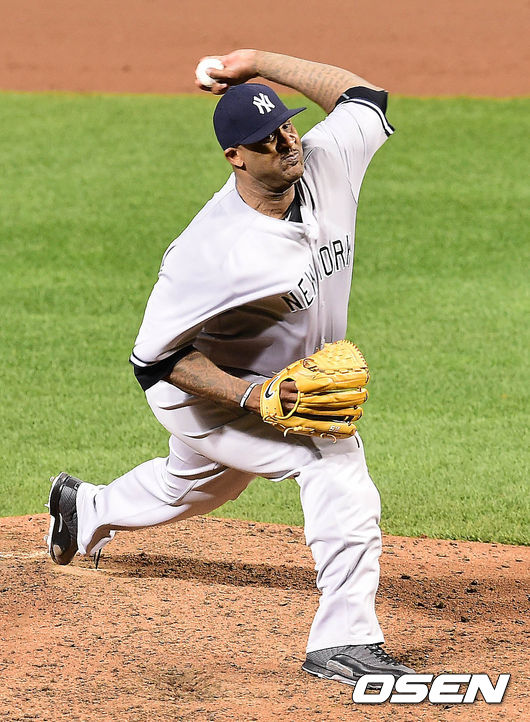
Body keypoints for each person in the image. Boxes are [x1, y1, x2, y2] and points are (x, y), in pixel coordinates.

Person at [46, 49, 413, 686]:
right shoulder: (210, 253)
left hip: (275, 387)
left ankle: (86, 509)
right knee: (333, 463)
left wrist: (256, 60)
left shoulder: (323, 160)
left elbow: (365, 99)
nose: (286, 142)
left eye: (287, 125)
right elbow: (154, 360)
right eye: (266, 139)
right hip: (204, 396)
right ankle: (343, 640)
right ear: (235, 157)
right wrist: (253, 396)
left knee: (196, 487)